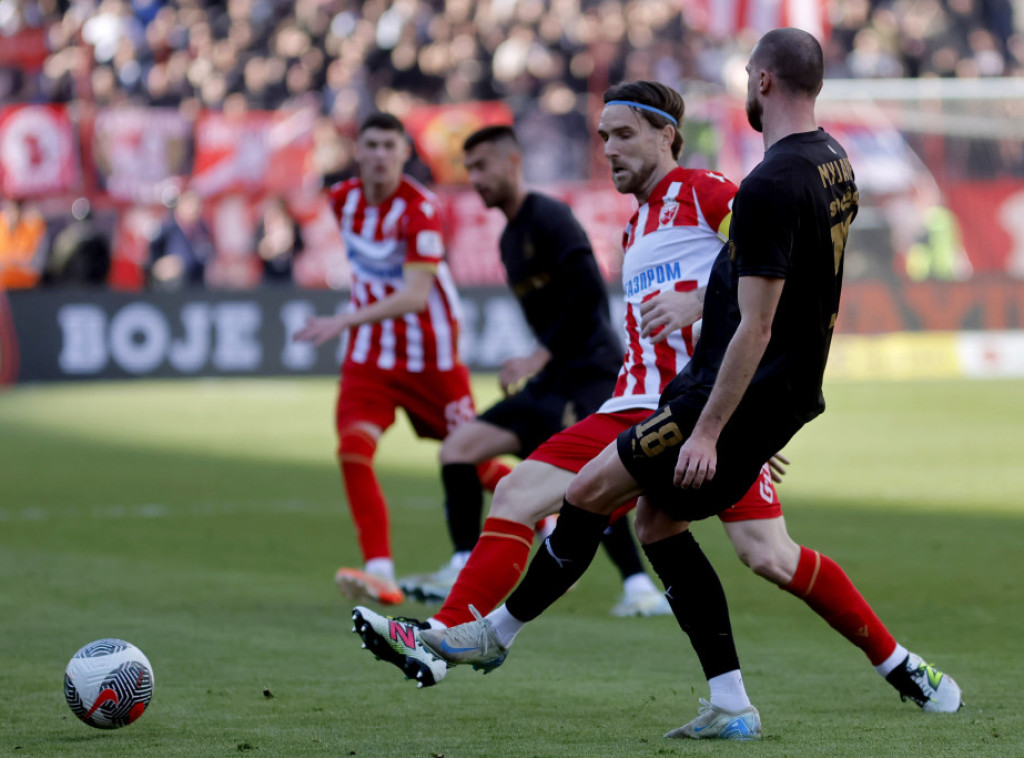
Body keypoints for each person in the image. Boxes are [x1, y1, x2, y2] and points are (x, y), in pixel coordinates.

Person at [355, 34, 962, 738]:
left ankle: (450, 635)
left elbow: (771, 269)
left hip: (673, 408)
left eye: (623, 135)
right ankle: (837, 680)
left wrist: (705, 326)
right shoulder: (637, 225)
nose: (608, 150)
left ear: (666, 135)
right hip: (689, 412)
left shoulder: (709, 192)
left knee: (538, 496)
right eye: (602, 137)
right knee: (741, 547)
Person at [397, 124, 670, 619]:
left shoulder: (550, 216)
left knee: (595, 480)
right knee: (459, 449)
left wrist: (540, 353)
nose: (475, 178)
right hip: (549, 380)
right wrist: (540, 360)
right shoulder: (508, 239)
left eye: (482, 166)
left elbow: (589, 293)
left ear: (513, 162)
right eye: (469, 169)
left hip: (590, 372)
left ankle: (638, 588)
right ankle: (461, 563)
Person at [294, 112, 510, 606]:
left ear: (404, 154)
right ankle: (380, 572)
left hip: (429, 353)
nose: (379, 155)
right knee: (353, 449)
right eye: (370, 144)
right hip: (371, 353)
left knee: (470, 461)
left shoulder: (420, 208)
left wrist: (343, 320)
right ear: (358, 151)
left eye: (389, 146)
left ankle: (546, 514)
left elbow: (415, 295)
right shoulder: (343, 199)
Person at [0, 199, 47, 290]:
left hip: (26, 282)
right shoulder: (2, 226)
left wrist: (10, 261)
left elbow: (32, 263)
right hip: (5, 283)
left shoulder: (33, 226)